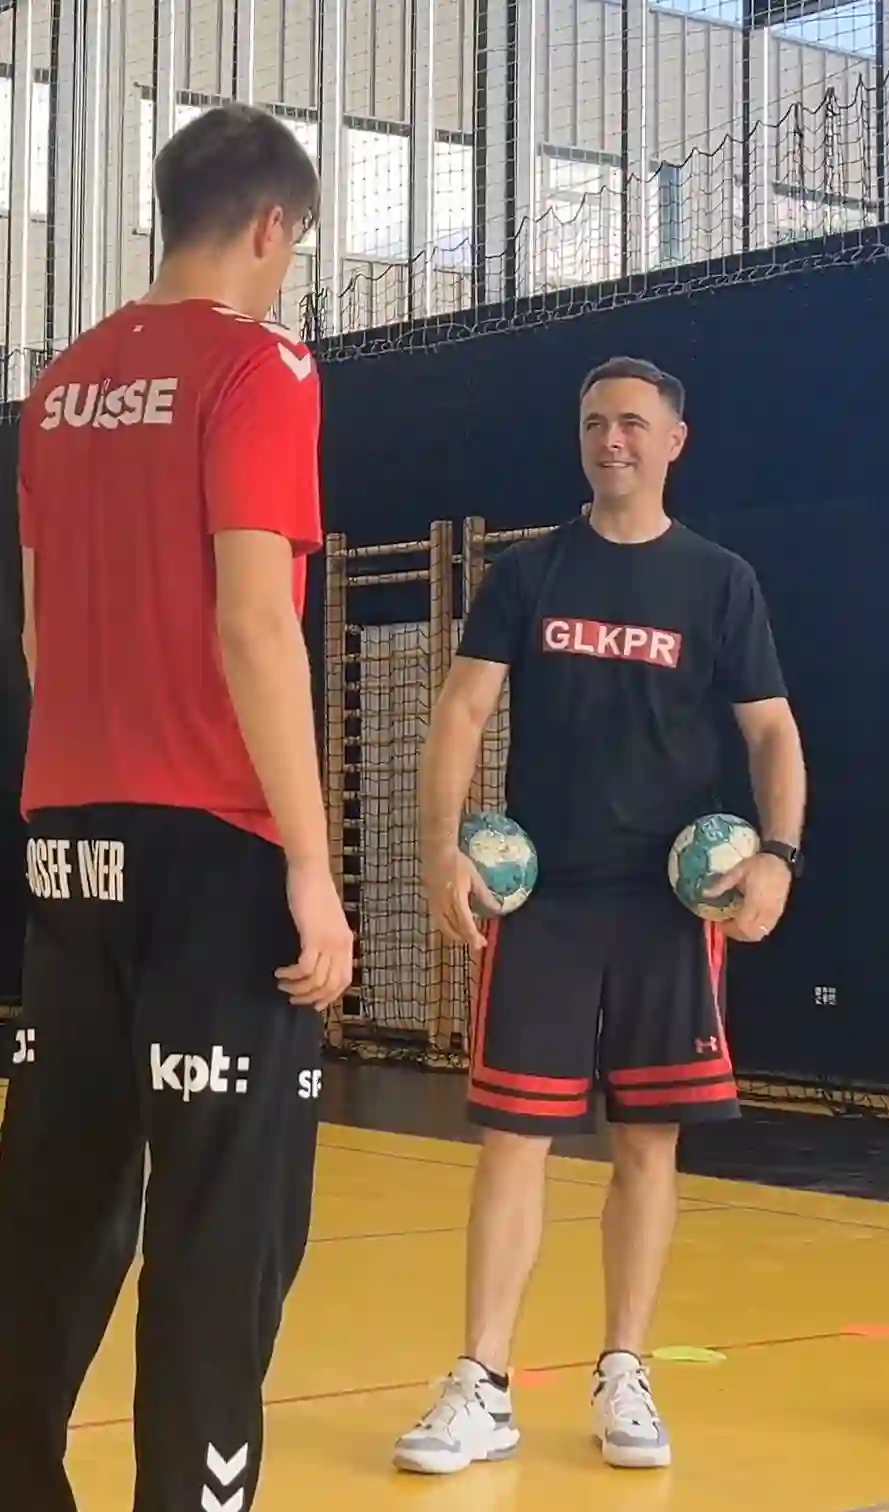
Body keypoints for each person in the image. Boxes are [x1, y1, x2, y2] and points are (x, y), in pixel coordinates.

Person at [0, 103, 352, 1512]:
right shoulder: (261, 364)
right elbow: (255, 624)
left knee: (58, 1203)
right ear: (271, 227)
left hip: (67, 837)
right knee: (224, 1224)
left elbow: (32, 637)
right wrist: (312, 869)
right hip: (212, 850)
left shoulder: (61, 381)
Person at [395, 355, 807, 1475]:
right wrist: (440, 845)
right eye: (592, 424)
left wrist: (776, 856)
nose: (610, 440)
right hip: (549, 906)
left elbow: (771, 731)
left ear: (676, 439)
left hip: (673, 910)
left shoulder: (720, 582)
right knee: (513, 1142)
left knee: (647, 1142)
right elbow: (462, 709)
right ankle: (481, 1381)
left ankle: (624, 1368)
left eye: (631, 423)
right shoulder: (531, 574)